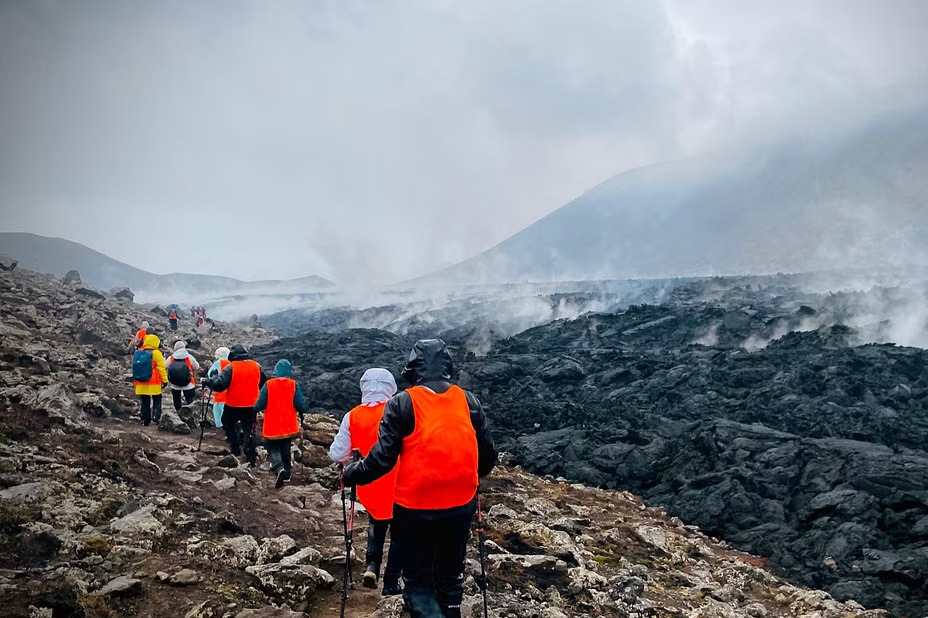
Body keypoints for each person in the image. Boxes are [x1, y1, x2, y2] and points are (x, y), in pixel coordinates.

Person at [344, 339, 497, 618]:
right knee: (450, 579)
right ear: (448, 367)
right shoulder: (468, 401)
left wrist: (352, 473)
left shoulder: (402, 403)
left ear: (412, 369)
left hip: (415, 508)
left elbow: (381, 460)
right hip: (461, 505)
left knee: (417, 581)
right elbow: (487, 459)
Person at [330, 368, 402, 595]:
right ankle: (391, 583)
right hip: (400, 481)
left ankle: (372, 565)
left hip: (368, 482)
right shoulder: (398, 411)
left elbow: (337, 454)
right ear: (390, 387)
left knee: (376, 523)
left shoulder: (352, 415)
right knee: (400, 532)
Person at [202, 344, 267, 464]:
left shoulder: (231, 367)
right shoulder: (256, 366)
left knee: (227, 423)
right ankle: (250, 456)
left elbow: (220, 386)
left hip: (234, 404)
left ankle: (235, 448)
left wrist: (209, 382)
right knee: (249, 429)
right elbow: (263, 383)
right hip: (252, 404)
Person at [255, 359, 308, 488]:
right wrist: (301, 413)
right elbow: (300, 404)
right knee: (285, 446)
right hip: (288, 424)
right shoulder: (293, 385)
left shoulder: (269, 384)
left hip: (272, 424)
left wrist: (254, 410)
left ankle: (279, 469)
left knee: (273, 447)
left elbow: (260, 404)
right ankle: (287, 472)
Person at [133, 333, 168, 426]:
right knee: (157, 400)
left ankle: (145, 420)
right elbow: (161, 368)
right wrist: (165, 380)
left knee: (145, 401)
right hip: (154, 382)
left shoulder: (138, 352)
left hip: (140, 382)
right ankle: (156, 417)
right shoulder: (156, 353)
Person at [166, 341, 201, 411]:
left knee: (176, 400)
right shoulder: (189, 357)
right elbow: (197, 366)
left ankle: (178, 413)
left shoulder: (171, 358)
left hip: (174, 384)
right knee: (190, 401)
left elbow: (165, 366)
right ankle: (189, 415)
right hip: (189, 383)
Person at [207, 346, 231, 428]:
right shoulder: (232, 362)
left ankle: (221, 426)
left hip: (220, 391)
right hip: (232, 392)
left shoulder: (217, 363)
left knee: (219, 411)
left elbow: (210, 375)